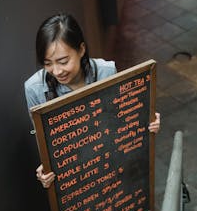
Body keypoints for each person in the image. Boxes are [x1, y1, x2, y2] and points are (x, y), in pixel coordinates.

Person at [24, 13, 160, 189]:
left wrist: (145, 121)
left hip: (110, 166)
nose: (57, 71)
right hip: (74, 180)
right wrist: (46, 168)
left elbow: (120, 120)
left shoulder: (106, 72)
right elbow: (44, 142)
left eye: (63, 61)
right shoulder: (34, 89)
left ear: (81, 50)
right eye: (47, 63)